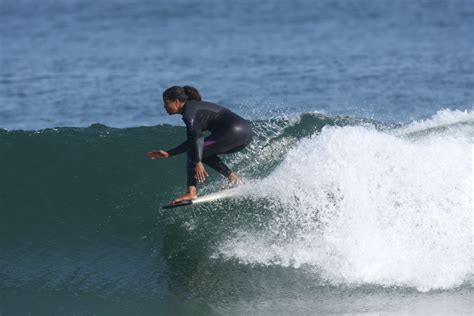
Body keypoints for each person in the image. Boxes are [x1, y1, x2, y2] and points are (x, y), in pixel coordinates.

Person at [147, 86, 252, 204]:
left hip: (234, 131)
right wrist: (169, 153)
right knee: (198, 150)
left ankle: (192, 192)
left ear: (176, 102)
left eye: (166, 103)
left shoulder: (189, 113)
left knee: (195, 152)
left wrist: (197, 161)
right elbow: (194, 141)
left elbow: (197, 139)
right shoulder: (193, 108)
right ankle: (233, 178)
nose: (164, 107)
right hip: (244, 133)